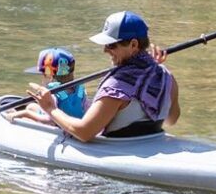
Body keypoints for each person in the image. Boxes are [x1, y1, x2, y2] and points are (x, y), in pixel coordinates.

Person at [26, 11, 177, 142]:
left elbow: (84, 133)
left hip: (117, 148)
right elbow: (171, 120)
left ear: (133, 44)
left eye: (111, 45)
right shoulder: (165, 76)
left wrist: (50, 108)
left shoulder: (116, 87)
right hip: (149, 140)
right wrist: (151, 67)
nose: (105, 50)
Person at [15, 48, 86, 127]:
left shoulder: (52, 93)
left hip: (59, 126)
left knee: (30, 108)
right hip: (76, 123)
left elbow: (50, 121)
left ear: (49, 76)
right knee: (33, 106)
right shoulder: (80, 89)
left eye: (43, 75)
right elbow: (86, 109)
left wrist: (26, 114)